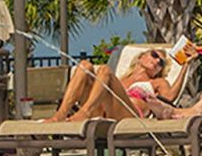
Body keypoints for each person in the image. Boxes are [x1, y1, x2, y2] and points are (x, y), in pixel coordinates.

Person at [44, 47, 190, 122]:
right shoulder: (121, 79)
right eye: (154, 55)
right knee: (84, 65)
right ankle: (59, 115)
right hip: (104, 110)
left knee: (105, 70)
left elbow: (170, 97)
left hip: (131, 115)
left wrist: (185, 66)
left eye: (161, 63)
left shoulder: (157, 82)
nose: (157, 61)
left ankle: (84, 113)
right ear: (141, 57)